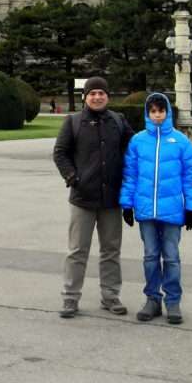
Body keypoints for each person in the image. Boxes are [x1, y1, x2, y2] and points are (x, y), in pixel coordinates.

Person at [53, 76, 134, 319]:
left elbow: (135, 149)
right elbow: (60, 153)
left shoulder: (118, 122)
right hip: (83, 198)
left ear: (108, 96)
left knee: (111, 250)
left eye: (101, 93)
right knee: (77, 250)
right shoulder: (74, 122)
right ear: (85, 97)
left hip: (111, 199)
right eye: (92, 93)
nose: (97, 97)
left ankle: (110, 296)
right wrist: (72, 177)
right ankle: (70, 297)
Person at [119, 92, 192, 325]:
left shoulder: (181, 141)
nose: (157, 115)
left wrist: (191, 207)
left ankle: (173, 301)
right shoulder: (137, 141)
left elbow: (191, 175)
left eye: (161, 111)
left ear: (167, 113)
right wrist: (127, 204)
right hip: (146, 210)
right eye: (153, 111)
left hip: (173, 210)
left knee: (172, 257)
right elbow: (130, 175)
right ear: (147, 113)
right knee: (151, 256)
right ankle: (152, 299)